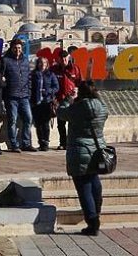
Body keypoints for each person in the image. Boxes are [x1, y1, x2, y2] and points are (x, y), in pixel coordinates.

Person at [58, 80, 108, 236]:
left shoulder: (78, 108)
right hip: (97, 151)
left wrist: (68, 99)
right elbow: (105, 111)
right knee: (94, 182)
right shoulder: (101, 107)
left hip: (80, 151)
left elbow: (61, 112)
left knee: (84, 187)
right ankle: (97, 213)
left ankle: (92, 222)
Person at [2, 39, 35, 152]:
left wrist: (28, 91)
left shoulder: (25, 61)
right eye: (15, 48)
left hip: (24, 96)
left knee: (28, 119)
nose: (17, 50)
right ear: (11, 49)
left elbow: (29, 78)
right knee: (12, 121)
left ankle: (26, 143)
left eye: (19, 48)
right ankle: (14, 144)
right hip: (11, 96)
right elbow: (1, 77)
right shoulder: (6, 61)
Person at [51, 50, 81, 150]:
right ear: (59, 59)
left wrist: (78, 92)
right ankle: (63, 143)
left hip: (72, 99)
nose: (64, 60)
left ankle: (72, 142)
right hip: (59, 99)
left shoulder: (75, 69)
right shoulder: (54, 69)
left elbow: (80, 82)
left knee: (73, 123)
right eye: (62, 58)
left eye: (65, 58)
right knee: (61, 123)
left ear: (68, 58)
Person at [30, 57, 59, 151]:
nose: (42, 65)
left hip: (46, 102)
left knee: (45, 123)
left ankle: (46, 142)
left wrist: (48, 91)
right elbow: (30, 86)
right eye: (40, 63)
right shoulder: (34, 74)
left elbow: (56, 87)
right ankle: (41, 142)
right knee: (38, 124)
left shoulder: (50, 74)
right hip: (36, 102)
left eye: (44, 63)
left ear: (47, 64)